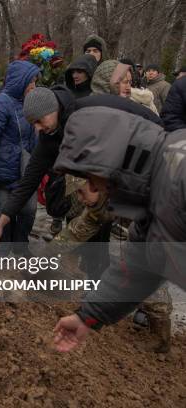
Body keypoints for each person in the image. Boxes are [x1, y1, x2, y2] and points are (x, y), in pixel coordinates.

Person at [0, 86, 163, 275]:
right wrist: (1, 224)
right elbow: (29, 180)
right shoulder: (50, 136)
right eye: (32, 124)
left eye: (39, 121)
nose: (37, 129)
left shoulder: (88, 117)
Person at [52, 108, 186, 354]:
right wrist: (87, 317)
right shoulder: (153, 196)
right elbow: (138, 267)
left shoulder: (178, 179)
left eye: (91, 177)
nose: (93, 187)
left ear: (110, 160)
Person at [0, 60, 39, 255]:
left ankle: (21, 246)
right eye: (31, 82)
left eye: (35, 82)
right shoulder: (2, 102)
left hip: (25, 167)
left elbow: (34, 136)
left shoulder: (31, 102)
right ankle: (2, 249)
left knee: (28, 210)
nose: (34, 86)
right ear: (21, 81)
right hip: (3, 168)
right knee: (4, 209)